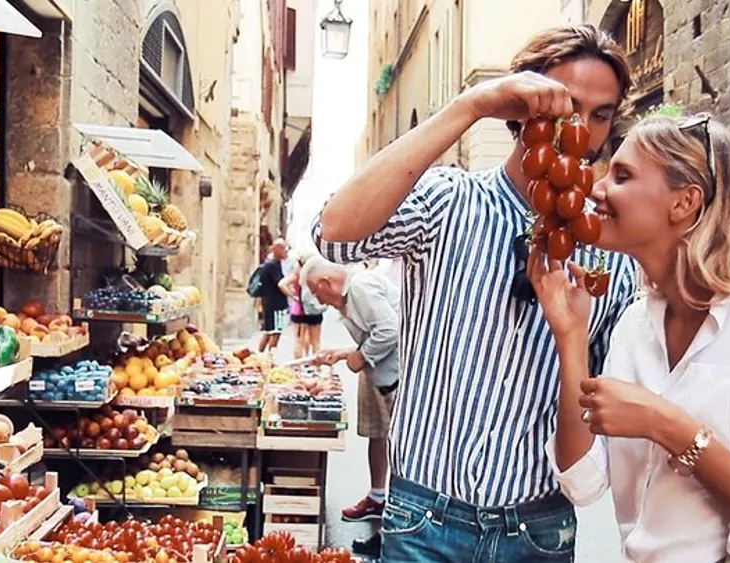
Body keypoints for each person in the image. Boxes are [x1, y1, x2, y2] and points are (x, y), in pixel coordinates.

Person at [313, 25, 636, 561]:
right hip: (425, 518)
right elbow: (335, 233)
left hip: (537, 526)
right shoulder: (449, 202)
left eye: (599, 114)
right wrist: (470, 106)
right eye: (565, 105)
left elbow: (592, 412)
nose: (582, 128)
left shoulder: (607, 253)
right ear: (521, 107)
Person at [528, 114, 730, 562]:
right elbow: (582, 482)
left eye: (621, 175)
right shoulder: (635, 325)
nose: (596, 188)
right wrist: (569, 337)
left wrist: (669, 426)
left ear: (684, 202)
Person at [301, 256, 399, 557]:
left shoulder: (360, 287)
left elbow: (389, 330)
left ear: (325, 283)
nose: (322, 302)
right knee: (380, 437)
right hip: (382, 375)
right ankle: (379, 501)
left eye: (318, 295)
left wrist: (358, 357)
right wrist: (344, 354)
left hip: (395, 376)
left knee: (400, 453)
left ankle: (392, 535)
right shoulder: (352, 291)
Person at [258, 239, 289, 353]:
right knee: (275, 332)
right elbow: (280, 284)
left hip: (269, 303)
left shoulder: (270, 264)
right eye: (284, 249)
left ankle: (260, 355)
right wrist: (293, 296)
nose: (286, 252)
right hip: (275, 304)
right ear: (277, 249)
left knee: (268, 331)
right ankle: (269, 357)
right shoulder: (273, 265)